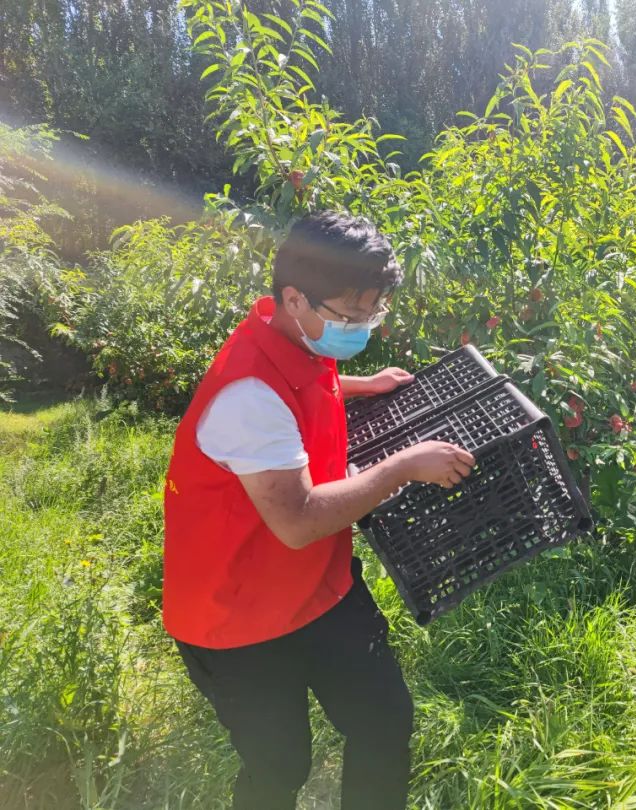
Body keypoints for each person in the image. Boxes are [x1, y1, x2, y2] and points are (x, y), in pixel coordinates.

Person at [161, 211, 475, 810]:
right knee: (280, 764)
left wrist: (363, 383)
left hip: (319, 587)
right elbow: (300, 520)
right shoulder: (247, 396)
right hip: (235, 617)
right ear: (294, 297)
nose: (361, 327)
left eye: (372, 314)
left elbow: (312, 380)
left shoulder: (291, 335)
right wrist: (402, 466)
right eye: (349, 317)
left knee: (384, 720)